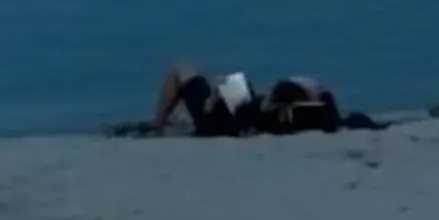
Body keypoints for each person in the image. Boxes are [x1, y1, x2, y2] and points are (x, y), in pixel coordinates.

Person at [137, 67, 380, 137]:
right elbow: (324, 94)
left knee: (179, 71)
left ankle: (158, 125)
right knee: (222, 81)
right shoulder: (321, 116)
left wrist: (214, 98)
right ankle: (169, 121)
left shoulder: (272, 113)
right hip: (241, 109)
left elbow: (244, 116)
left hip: (221, 118)